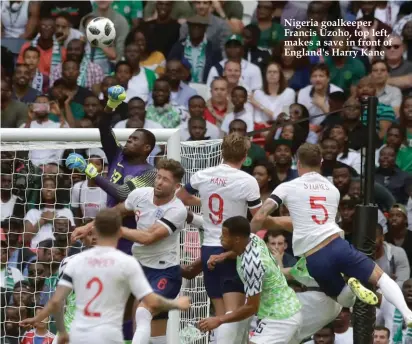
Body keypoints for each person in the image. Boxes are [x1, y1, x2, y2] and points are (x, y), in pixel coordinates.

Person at [251, 143, 412, 326]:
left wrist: (250, 231)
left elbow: (262, 215)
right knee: (381, 277)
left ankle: (350, 286)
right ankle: (407, 313)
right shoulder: (332, 189)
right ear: (320, 162)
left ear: (298, 162)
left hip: (315, 258)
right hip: (337, 244)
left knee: (345, 301)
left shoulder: (287, 187)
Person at [20, 208, 190, 344]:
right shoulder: (127, 264)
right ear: (118, 233)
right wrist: (175, 303)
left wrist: (41, 320)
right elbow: (151, 301)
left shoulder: (72, 262)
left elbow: (57, 302)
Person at [177, 133, 262, 344]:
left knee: (220, 314)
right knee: (231, 315)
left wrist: (204, 201)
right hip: (232, 250)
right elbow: (259, 216)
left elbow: (182, 197)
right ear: (245, 155)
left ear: (221, 152)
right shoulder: (247, 181)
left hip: (208, 249)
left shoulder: (204, 174)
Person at [66, 85, 157, 254]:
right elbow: (103, 128)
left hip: (133, 236)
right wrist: (110, 105)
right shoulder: (118, 154)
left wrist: (89, 170)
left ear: (146, 148)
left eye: (135, 139)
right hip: (110, 228)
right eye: (129, 138)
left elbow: (122, 193)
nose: (129, 140)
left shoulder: (150, 173)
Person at [111, 159, 188, 344]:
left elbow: (148, 238)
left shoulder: (177, 210)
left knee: (143, 313)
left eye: (166, 180)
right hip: (137, 266)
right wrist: (90, 226)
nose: (159, 182)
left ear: (176, 186)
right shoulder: (140, 195)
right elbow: (116, 212)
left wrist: (118, 230)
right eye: (158, 177)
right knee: (155, 329)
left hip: (164, 272)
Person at [198, 216, 302, 344]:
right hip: (286, 308)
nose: (220, 238)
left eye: (224, 235)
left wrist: (219, 320)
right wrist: (223, 255)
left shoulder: (252, 265)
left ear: (236, 239)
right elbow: (238, 251)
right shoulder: (253, 238)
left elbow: (251, 307)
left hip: (280, 317)